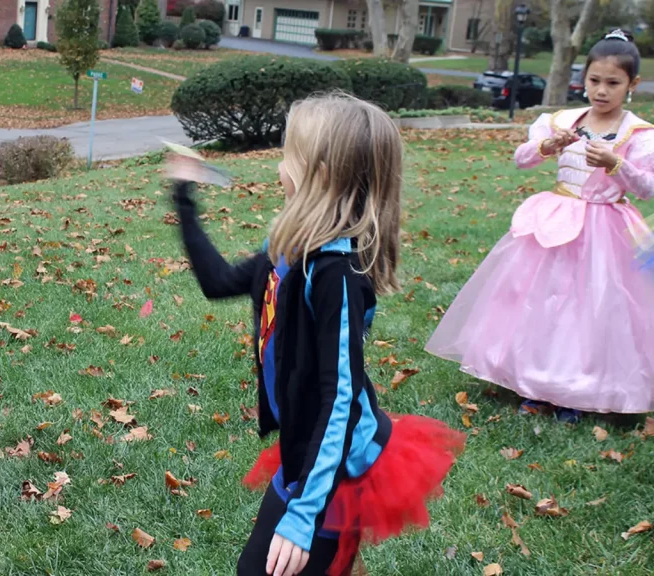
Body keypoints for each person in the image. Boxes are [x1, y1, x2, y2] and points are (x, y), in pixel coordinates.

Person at [167, 93, 465, 576]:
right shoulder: (286, 248)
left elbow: (340, 397)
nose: (277, 168)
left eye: (287, 154)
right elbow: (218, 282)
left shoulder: (336, 275)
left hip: (333, 467)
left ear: (318, 171)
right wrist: (184, 199)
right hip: (303, 451)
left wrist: (304, 515)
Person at [426, 29, 654, 424]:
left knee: (593, 307)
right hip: (558, 221)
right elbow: (522, 159)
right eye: (594, 81)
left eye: (613, 83)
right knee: (545, 302)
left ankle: (578, 387)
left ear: (631, 85)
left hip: (607, 229)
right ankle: (534, 382)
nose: (601, 91)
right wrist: (548, 146)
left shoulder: (638, 134)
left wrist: (617, 164)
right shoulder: (562, 120)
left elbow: (647, 188)